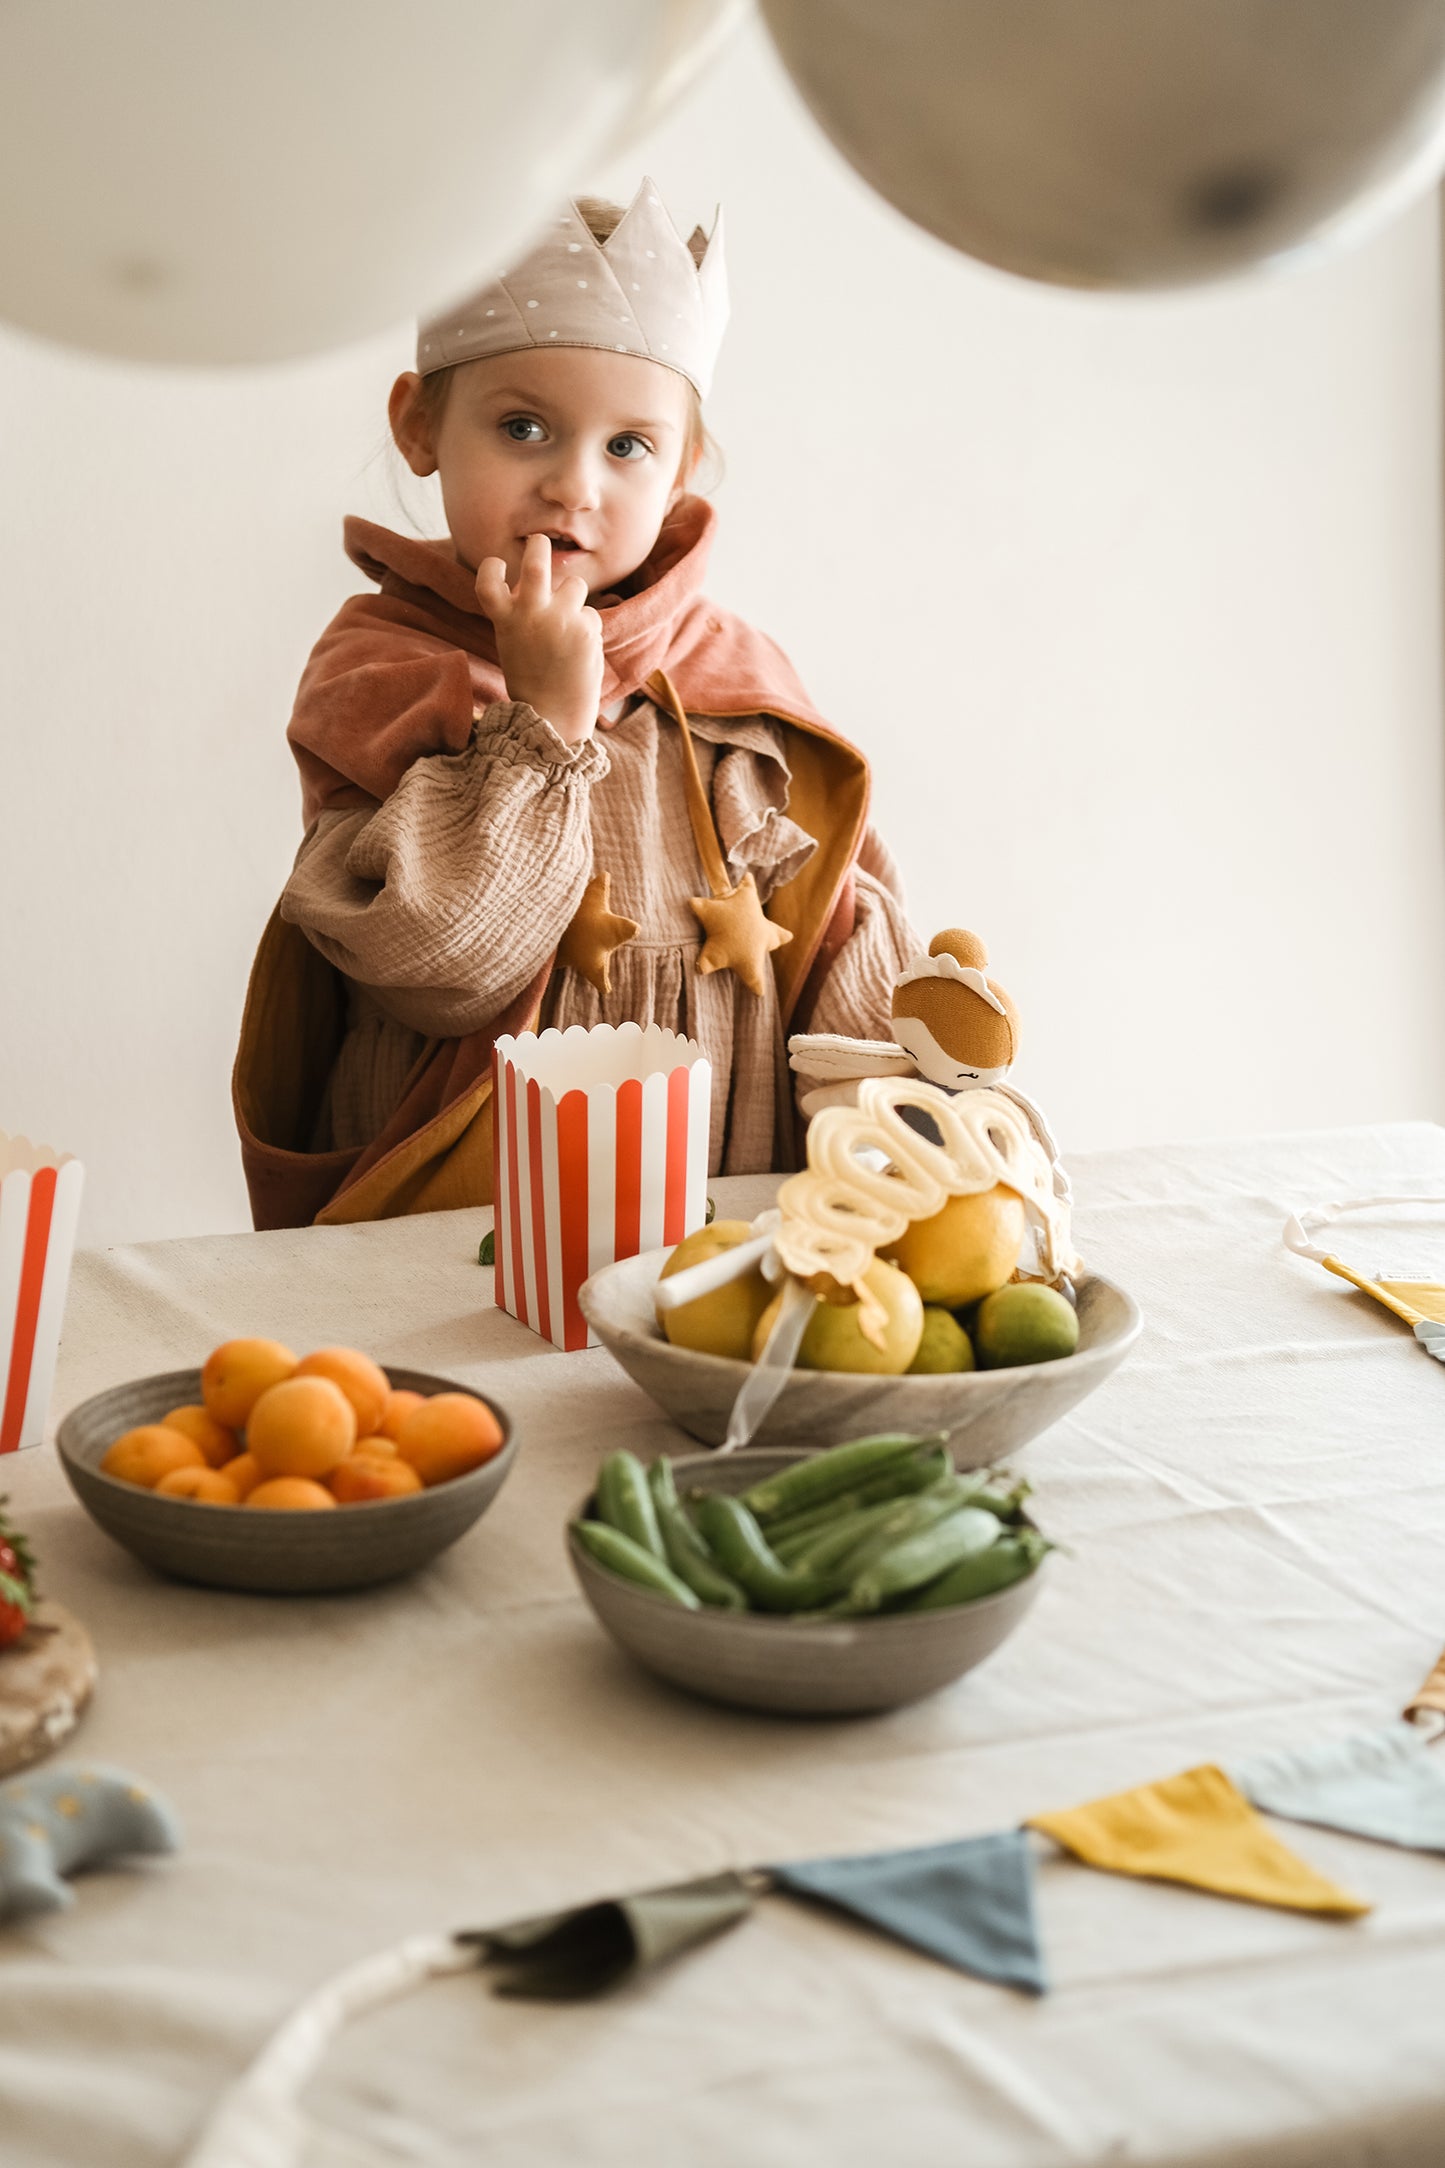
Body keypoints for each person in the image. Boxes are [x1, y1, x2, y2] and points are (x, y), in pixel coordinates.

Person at [233, 180, 918, 1229]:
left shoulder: (735, 675)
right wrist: (544, 723)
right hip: (467, 1200)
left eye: (627, 445)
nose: (573, 486)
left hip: (709, 1198)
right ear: (419, 426)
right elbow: (439, 962)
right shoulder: (380, 665)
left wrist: (907, 1124)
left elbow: (838, 932)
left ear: (684, 464)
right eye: (522, 427)